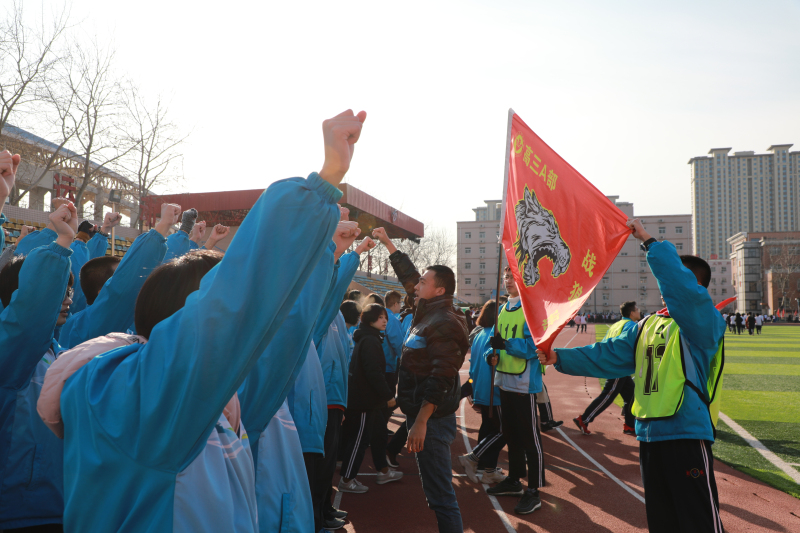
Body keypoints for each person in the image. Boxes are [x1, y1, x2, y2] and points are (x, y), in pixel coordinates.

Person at [57, 109, 366, 532]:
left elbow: (288, 328)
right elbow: (239, 298)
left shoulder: (225, 399)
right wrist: (322, 184)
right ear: (184, 315)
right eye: (212, 291)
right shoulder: (142, 398)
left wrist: (325, 250)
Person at [539, 218, 725, 533]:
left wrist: (651, 244)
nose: (664, 285)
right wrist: (560, 357)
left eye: (675, 277)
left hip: (686, 434)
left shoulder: (703, 325)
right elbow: (608, 354)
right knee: (662, 522)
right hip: (649, 434)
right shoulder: (646, 326)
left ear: (693, 285)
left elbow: (684, 293)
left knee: (699, 522)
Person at [373, 226, 469, 532]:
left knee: (441, 497)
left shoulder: (444, 322)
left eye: (424, 283)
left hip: (433, 421)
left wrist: (421, 421)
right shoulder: (426, 311)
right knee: (436, 494)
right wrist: (388, 244)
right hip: (423, 415)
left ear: (439, 290)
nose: (416, 286)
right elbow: (410, 277)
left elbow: (442, 377)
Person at [0, 201, 75, 532]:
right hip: (15, 511)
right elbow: (28, 320)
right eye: (59, 288)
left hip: (57, 507)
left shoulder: (61, 354)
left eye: (69, 289)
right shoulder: (10, 352)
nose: (68, 298)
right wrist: (62, 243)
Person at [483, 267, 546, 515]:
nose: (508, 280)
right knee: (511, 435)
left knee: (531, 438)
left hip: (524, 383)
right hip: (505, 380)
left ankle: (534, 490)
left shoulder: (530, 309)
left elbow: (534, 346)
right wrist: (491, 355)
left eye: (512, 276)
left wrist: (506, 345)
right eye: (506, 277)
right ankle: (514, 480)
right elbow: (493, 342)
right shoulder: (502, 309)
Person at [339, 303, 402, 493]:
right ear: (370, 319)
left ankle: (383, 470)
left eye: (385, 317)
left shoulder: (370, 337)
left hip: (368, 399)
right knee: (359, 439)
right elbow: (373, 372)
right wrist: (388, 395)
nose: (385, 320)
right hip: (364, 400)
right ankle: (347, 479)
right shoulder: (370, 340)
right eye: (380, 317)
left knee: (377, 434)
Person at [573, 301, 640, 437]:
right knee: (608, 396)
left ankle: (629, 425)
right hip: (618, 366)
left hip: (617, 366)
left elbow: (604, 343)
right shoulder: (631, 326)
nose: (639, 311)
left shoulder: (616, 325)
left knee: (631, 396)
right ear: (632, 312)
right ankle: (584, 419)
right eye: (637, 309)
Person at [458, 300, 507, 484]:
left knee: (488, 428)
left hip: (480, 386)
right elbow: (493, 358)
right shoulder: (495, 334)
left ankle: (487, 468)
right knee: (503, 430)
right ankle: (474, 458)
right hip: (494, 389)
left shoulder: (479, 333)